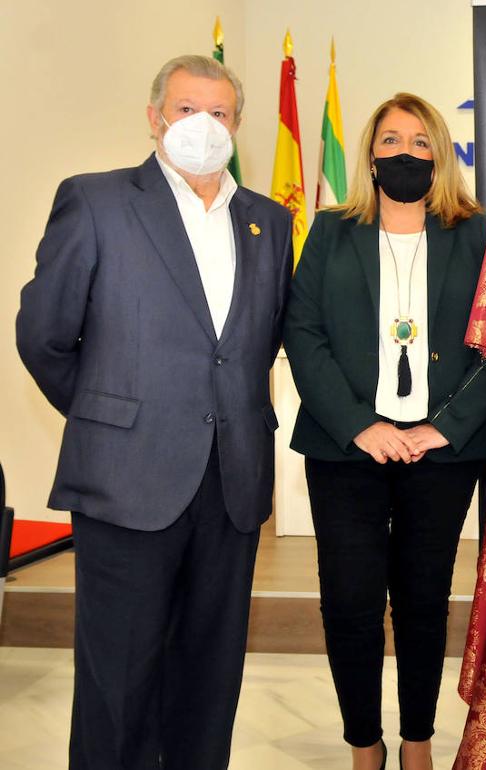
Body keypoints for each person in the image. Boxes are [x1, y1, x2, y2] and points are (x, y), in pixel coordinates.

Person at [15, 55, 292, 768]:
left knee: (209, 679)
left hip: (231, 483)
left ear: (237, 124)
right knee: (118, 683)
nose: (203, 124)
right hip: (125, 481)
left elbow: (254, 346)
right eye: (186, 109)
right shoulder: (97, 200)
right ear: (154, 118)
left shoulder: (269, 221)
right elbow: (44, 335)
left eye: (219, 113)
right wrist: (109, 416)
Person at [283, 93, 486, 770]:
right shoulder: (330, 230)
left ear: (440, 154)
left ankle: (417, 741)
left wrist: (445, 428)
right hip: (345, 449)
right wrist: (360, 425)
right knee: (349, 601)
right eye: (390, 141)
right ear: (370, 155)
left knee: (423, 601)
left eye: (419, 141)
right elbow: (303, 333)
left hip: (442, 455)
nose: (405, 152)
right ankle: (364, 744)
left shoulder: (476, 233)